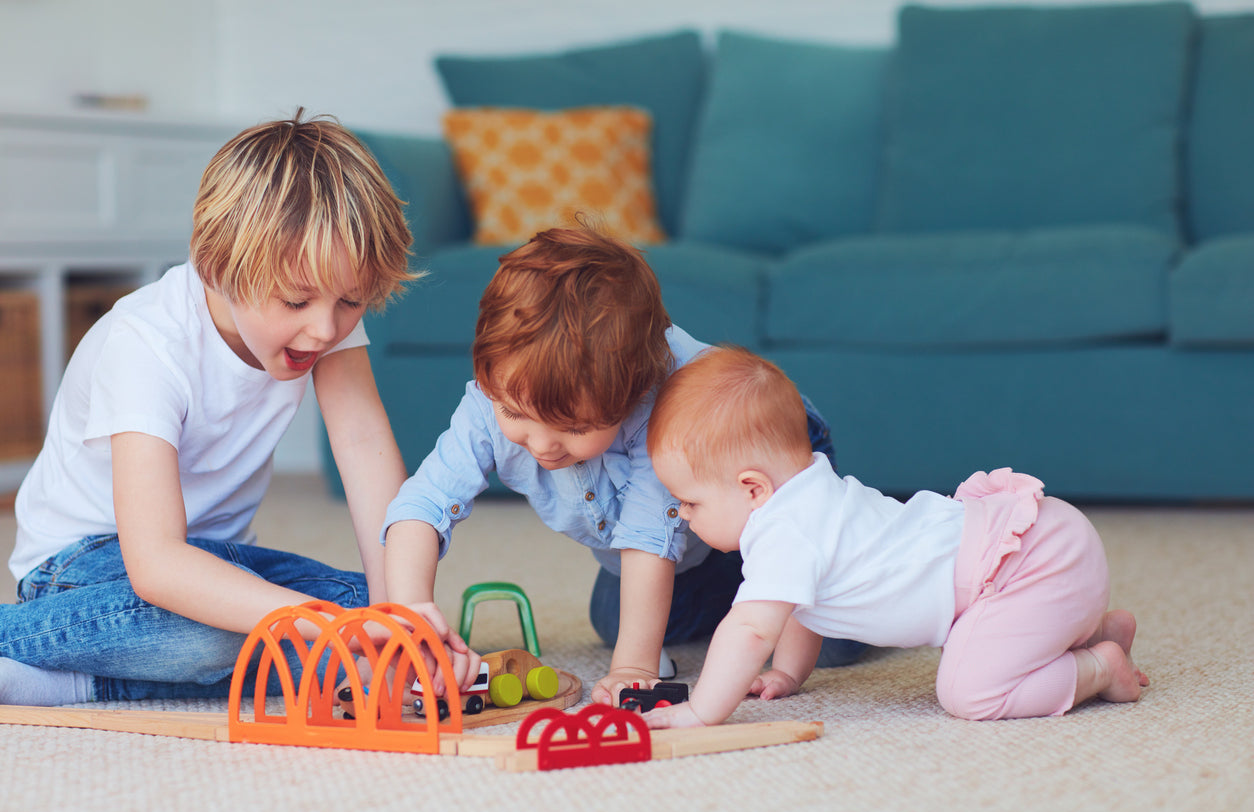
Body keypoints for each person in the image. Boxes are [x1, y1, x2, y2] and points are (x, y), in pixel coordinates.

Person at [0, 110, 479, 707]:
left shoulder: (322, 321)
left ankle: (57, 680)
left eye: (351, 301)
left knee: (375, 606)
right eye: (297, 301)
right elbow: (155, 565)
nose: (325, 328)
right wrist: (338, 631)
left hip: (211, 560)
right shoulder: (147, 343)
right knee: (231, 635)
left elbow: (363, 447)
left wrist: (398, 625)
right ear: (220, 267)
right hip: (87, 570)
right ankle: (34, 652)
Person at [381, 225, 864, 706]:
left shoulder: (669, 411)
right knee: (615, 620)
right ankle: (744, 583)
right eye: (515, 414)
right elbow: (423, 504)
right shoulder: (492, 396)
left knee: (826, 634)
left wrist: (632, 671)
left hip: (754, 457)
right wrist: (409, 613)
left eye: (571, 426)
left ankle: (863, 557)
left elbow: (647, 538)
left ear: (633, 393)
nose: (542, 444)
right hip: (696, 537)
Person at [640, 345, 1149, 728]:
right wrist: (790, 675)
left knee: (970, 693)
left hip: (1024, 565)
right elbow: (802, 606)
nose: (683, 516)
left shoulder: (786, 530)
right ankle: (1097, 629)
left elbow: (751, 630)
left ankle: (1100, 667)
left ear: (752, 488)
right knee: (997, 646)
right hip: (1041, 545)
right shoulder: (808, 498)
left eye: (690, 501)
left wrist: (701, 711)